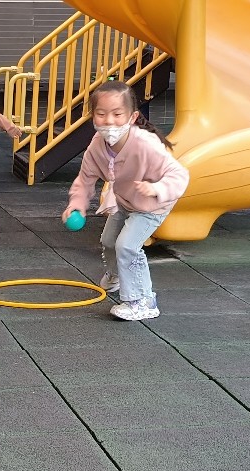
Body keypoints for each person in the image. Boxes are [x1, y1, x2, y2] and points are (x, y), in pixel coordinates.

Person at [63, 80, 189, 321]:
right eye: (101, 114)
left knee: (127, 246)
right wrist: (76, 204)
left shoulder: (145, 145)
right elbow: (85, 180)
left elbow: (179, 175)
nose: (109, 121)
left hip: (153, 205)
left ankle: (143, 301)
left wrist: (156, 188)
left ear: (132, 117)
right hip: (125, 201)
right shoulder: (97, 146)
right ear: (93, 116)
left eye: (117, 114)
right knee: (109, 241)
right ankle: (117, 276)